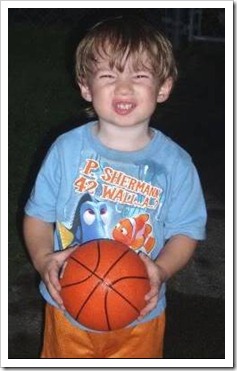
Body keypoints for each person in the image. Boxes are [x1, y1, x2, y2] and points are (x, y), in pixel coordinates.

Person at [23, 16, 207, 359]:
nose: (123, 88)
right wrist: (43, 258)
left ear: (163, 87)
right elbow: (37, 215)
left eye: (139, 75)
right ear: (86, 87)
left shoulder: (176, 164)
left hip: (139, 314)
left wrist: (161, 270)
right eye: (108, 75)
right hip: (68, 309)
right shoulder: (66, 150)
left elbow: (186, 231)